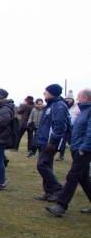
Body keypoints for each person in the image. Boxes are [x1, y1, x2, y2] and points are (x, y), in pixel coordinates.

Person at [46, 88, 91, 216]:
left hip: (84, 150)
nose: (77, 99)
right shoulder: (83, 111)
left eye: (78, 96)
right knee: (84, 178)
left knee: (73, 176)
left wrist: (83, 148)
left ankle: (61, 206)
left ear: (85, 99)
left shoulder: (89, 112)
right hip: (77, 149)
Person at [32, 84, 69, 202]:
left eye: (46, 91)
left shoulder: (59, 106)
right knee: (47, 165)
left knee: (41, 165)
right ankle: (49, 192)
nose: (44, 93)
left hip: (49, 142)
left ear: (52, 93)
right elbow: (44, 126)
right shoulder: (50, 106)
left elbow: (60, 125)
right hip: (43, 141)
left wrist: (53, 141)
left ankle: (58, 189)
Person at [57, 91, 81, 161]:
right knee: (62, 142)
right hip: (65, 125)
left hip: (73, 126)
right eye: (67, 98)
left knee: (72, 142)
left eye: (70, 99)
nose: (68, 100)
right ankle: (61, 156)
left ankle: (76, 155)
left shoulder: (77, 107)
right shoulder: (64, 106)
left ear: (73, 99)